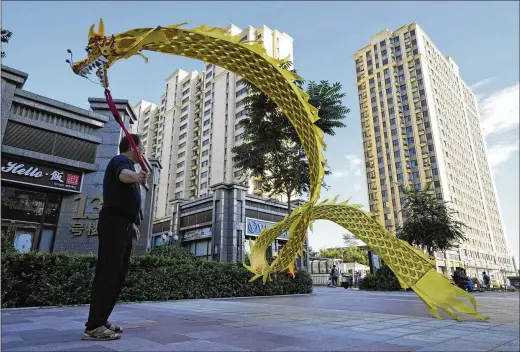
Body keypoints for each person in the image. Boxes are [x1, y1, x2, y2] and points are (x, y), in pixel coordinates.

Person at [83, 134, 149, 341]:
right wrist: (137, 176)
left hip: (124, 225)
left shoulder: (129, 164)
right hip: (113, 223)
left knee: (118, 275)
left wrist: (133, 225)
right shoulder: (121, 160)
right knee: (108, 272)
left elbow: (128, 200)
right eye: (142, 148)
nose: (144, 152)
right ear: (133, 147)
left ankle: (101, 320)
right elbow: (123, 175)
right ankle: (93, 326)